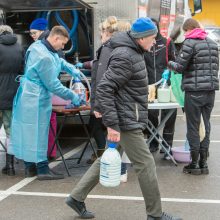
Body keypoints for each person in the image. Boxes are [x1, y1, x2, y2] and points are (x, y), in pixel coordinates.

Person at [65, 17, 182, 220]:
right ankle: (154, 214)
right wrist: (112, 125)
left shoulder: (132, 52)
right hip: (124, 121)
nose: (155, 42)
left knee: (107, 158)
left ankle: (76, 196)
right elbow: (105, 87)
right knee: (146, 164)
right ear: (141, 37)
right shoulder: (126, 55)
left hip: (125, 116)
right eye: (152, 38)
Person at [8, 26, 81, 180]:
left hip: (28, 95)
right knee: (39, 132)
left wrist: (71, 68)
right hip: (36, 98)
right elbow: (53, 85)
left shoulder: (39, 46)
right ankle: (42, 169)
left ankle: (30, 168)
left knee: (28, 131)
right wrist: (73, 96)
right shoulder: (45, 57)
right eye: (62, 44)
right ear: (56, 38)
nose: (62, 47)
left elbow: (59, 61)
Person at [76, 17, 131, 183]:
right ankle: (118, 170)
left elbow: (101, 79)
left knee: (115, 137)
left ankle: (115, 170)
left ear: (108, 32)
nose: (100, 35)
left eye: (101, 32)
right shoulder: (116, 48)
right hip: (115, 102)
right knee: (119, 138)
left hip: (108, 102)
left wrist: (98, 105)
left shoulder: (109, 48)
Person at [168, 18, 219, 175]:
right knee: (205, 125)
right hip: (210, 92)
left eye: (185, 32)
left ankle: (194, 164)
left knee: (194, 127)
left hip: (194, 92)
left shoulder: (190, 42)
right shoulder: (212, 43)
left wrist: (170, 63)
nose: (185, 35)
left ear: (189, 29)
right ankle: (204, 163)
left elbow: (180, 67)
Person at [144, 18, 177, 159]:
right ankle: (153, 143)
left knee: (169, 114)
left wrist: (169, 69)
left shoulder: (167, 42)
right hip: (149, 85)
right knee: (151, 115)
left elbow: (174, 61)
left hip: (166, 84)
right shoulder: (143, 43)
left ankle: (167, 144)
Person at [29, 18, 60, 161]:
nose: (32, 35)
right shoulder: (49, 43)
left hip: (42, 90)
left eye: (34, 32)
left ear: (42, 30)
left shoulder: (41, 46)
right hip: (50, 89)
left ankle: (43, 155)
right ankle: (51, 152)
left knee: (42, 122)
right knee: (51, 119)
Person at [0, 25, 23, 176]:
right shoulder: (20, 48)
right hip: (13, 94)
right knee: (10, 132)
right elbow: (23, 71)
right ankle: (10, 166)